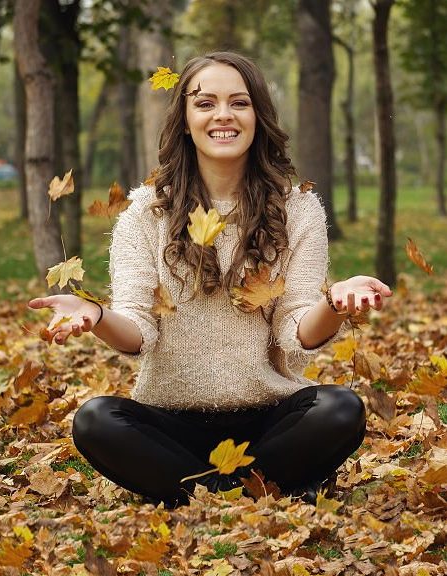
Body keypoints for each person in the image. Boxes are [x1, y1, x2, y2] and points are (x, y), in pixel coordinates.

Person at [28, 51, 392, 508]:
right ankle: (249, 493)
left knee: (340, 410)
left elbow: (296, 330)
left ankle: (203, 494)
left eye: (239, 102)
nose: (223, 115)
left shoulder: (297, 209)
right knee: (96, 420)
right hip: (172, 427)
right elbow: (137, 331)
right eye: (205, 103)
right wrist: (97, 315)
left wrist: (334, 304)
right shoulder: (145, 213)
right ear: (184, 119)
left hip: (270, 421)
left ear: (257, 115)